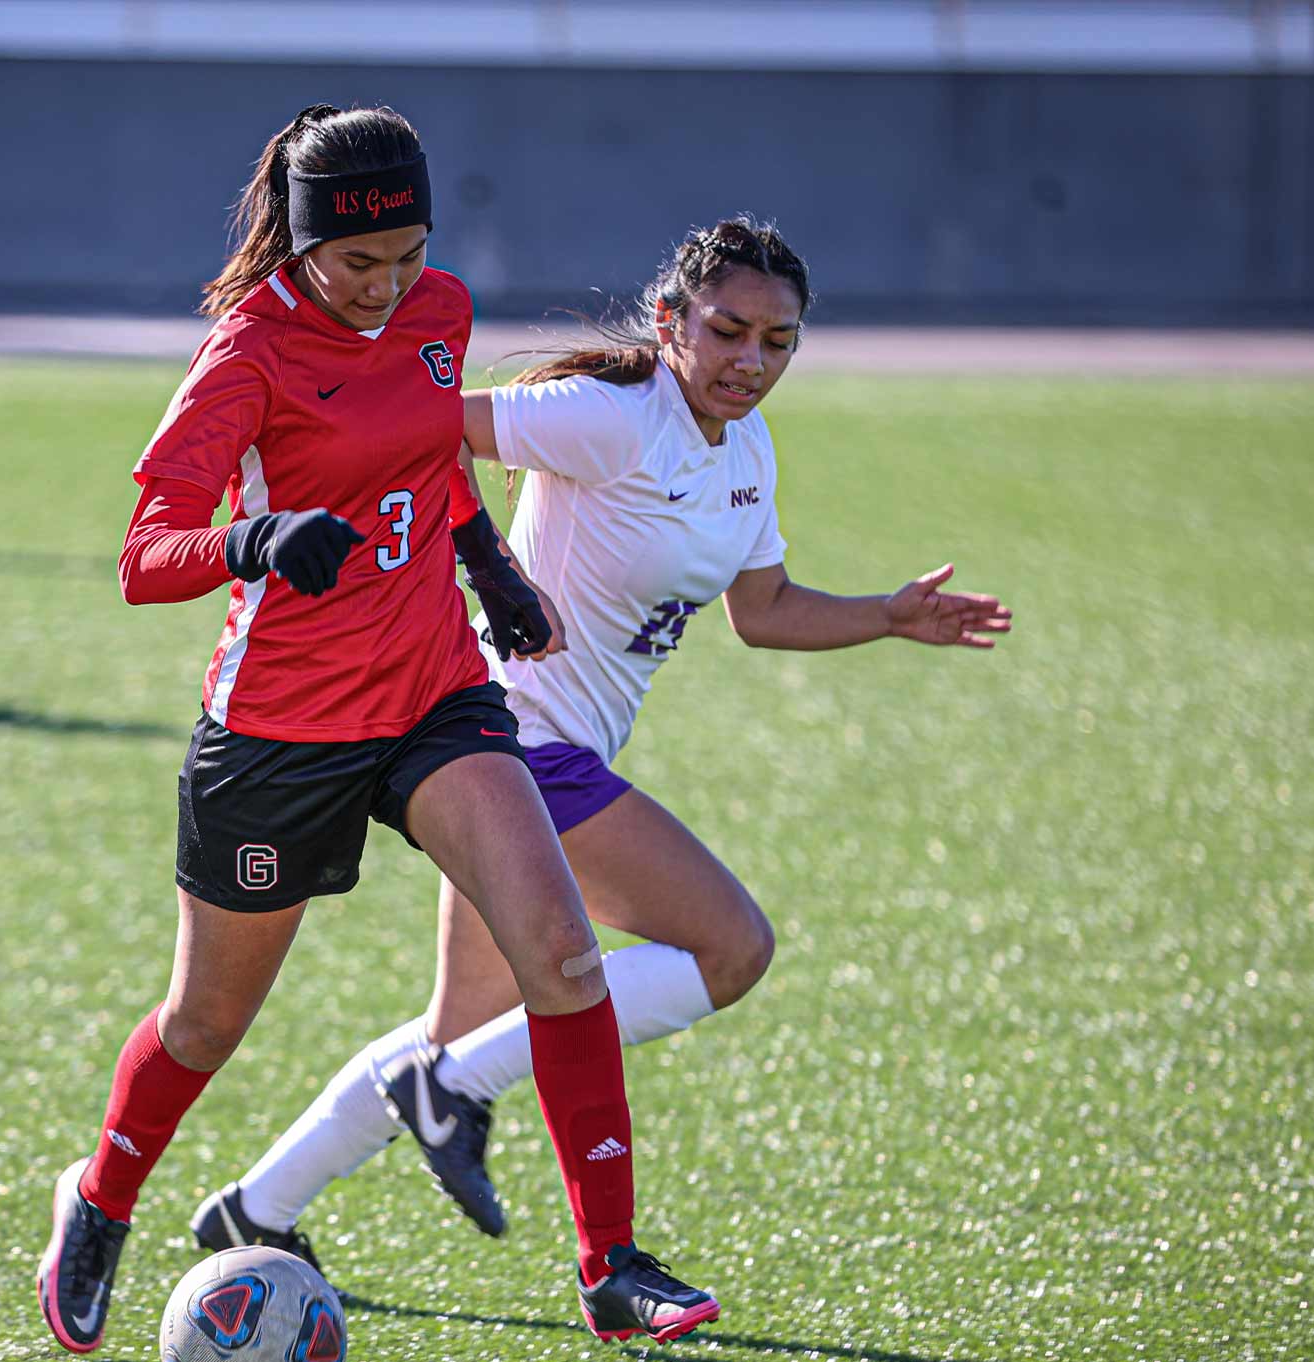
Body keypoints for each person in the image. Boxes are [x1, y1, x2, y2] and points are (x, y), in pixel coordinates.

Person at [188, 219, 1010, 1267]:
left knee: (457, 1032)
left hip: (536, 754)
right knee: (728, 948)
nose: (750, 361)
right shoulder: (610, 415)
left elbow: (760, 610)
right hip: (510, 744)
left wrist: (886, 615)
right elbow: (416, 426)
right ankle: (451, 1097)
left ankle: (254, 1209)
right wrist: (481, 563)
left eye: (778, 341)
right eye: (727, 331)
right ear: (670, 322)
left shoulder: (744, 449)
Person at [38, 103, 724, 1357]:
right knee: (204, 1024)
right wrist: (254, 539)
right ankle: (100, 1199)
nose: (386, 285)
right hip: (278, 729)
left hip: (434, 696)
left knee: (562, 958)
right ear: (300, 245)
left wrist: (487, 566)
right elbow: (144, 557)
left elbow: (429, 454)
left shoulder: (436, 312)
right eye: (358, 263)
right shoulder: (243, 357)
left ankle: (611, 1267)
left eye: (407, 255)